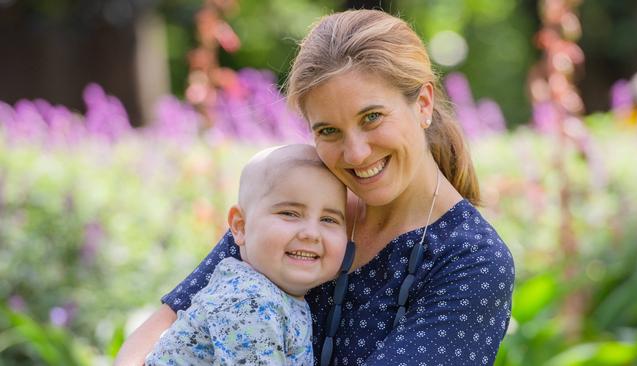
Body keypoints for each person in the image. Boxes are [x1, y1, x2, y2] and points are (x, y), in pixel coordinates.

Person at [116, 9, 515, 366]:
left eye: (372, 117)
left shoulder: (471, 261)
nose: (356, 153)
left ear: (424, 103)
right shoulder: (301, 200)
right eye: (329, 130)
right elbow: (158, 330)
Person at [145, 144, 349, 365]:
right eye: (290, 214)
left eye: (328, 219)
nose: (311, 233)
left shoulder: (271, 294)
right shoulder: (249, 301)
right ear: (240, 226)